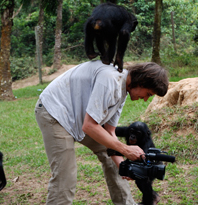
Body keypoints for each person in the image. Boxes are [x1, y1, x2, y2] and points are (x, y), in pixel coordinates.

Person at [35, 60, 168, 205]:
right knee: (65, 176)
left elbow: (110, 132)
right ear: (141, 82)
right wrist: (125, 149)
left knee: (113, 158)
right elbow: (90, 126)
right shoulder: (110, 81)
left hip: (79, 117)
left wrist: (124, 167)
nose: (145, 99)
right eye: (148, 93)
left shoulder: (122, 89)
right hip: (55, 112)